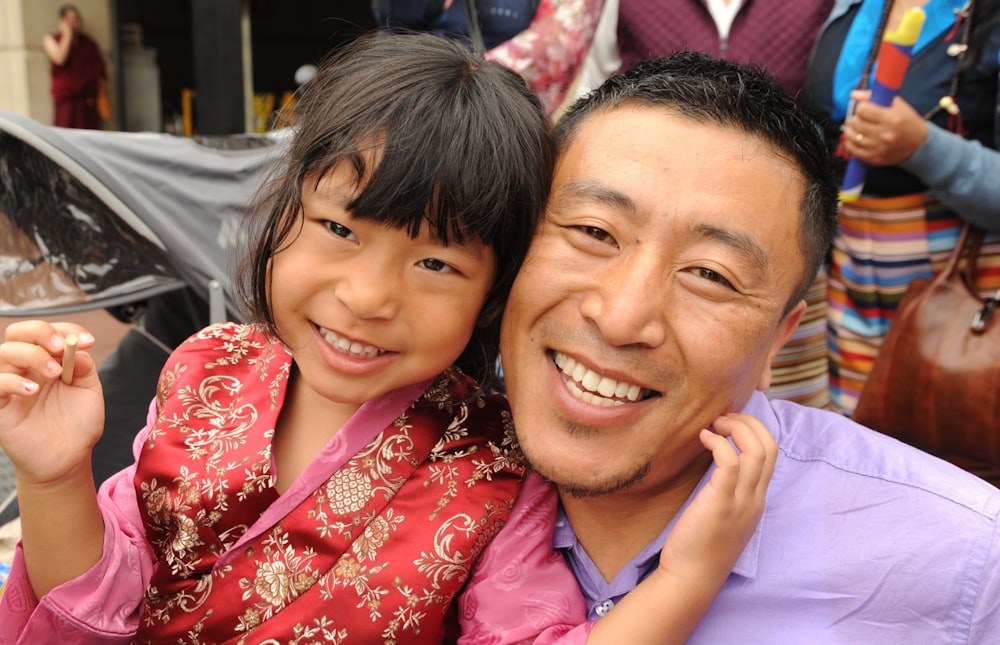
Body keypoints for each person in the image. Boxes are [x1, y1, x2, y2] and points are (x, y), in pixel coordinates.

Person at [0, 32, 774, 643]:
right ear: (282, 209)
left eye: (435, 261)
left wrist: (686, 578)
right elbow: (98, 607)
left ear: (493, 293)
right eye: (339, 226)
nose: (367, 296)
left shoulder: (500, 467)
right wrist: (53, 473)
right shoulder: (207, 367)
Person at [462, 51, 1000, 641]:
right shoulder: (400, 470)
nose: (621, 318)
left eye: (711, 275)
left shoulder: (963, 565)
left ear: (779, 340)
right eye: (594, 232)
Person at [801, 0, 1000, 415]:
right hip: (852, 268)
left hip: (964, 276)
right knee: (864, 439)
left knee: (954, 439)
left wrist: (922, 146)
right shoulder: (850, 7)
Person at [41, 4, 107, 129]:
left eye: (77, 19)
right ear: (62, 21)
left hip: (87, 101)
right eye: (70, 19)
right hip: (67, 99)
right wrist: (67, 35)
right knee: (65, 134)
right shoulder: (51, 39)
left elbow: (98, 72)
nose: (75, 23)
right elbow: (60, 59)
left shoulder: (89, 43)